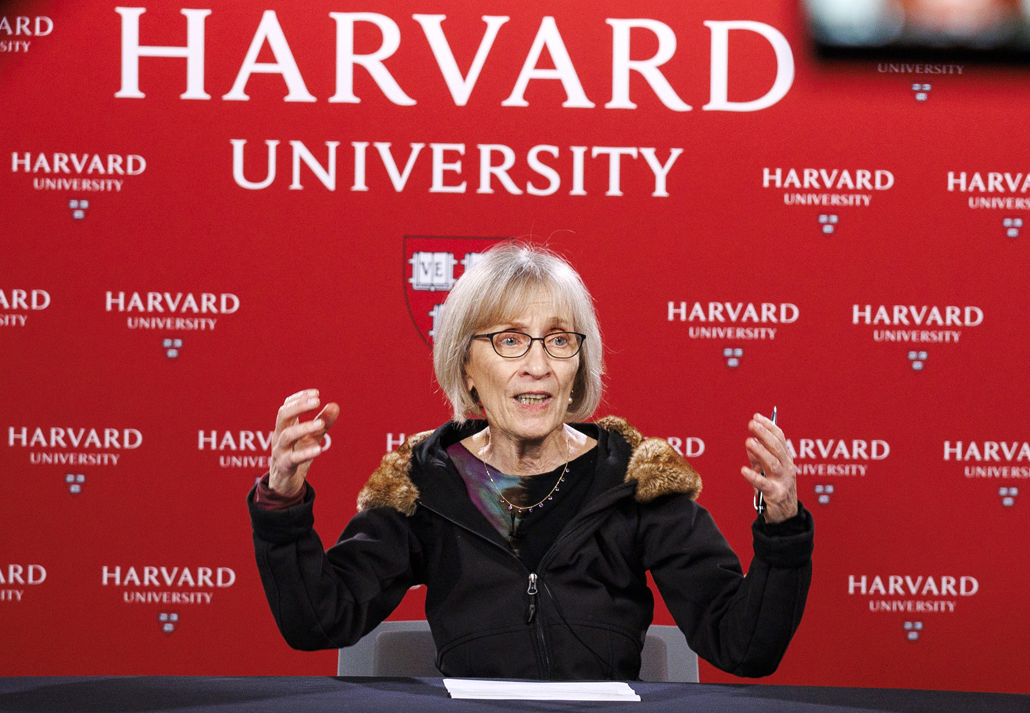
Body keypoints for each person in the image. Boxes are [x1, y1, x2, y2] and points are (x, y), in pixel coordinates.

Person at [247, 241, 811, 679]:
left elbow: (744, 647)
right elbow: (319, 620)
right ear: (466, 366)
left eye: (560, 340)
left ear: (577, 371)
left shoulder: (636, 479)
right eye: (510, 340)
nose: (537, 364)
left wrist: (781, 528)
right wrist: (283, 504)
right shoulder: (425, 480)